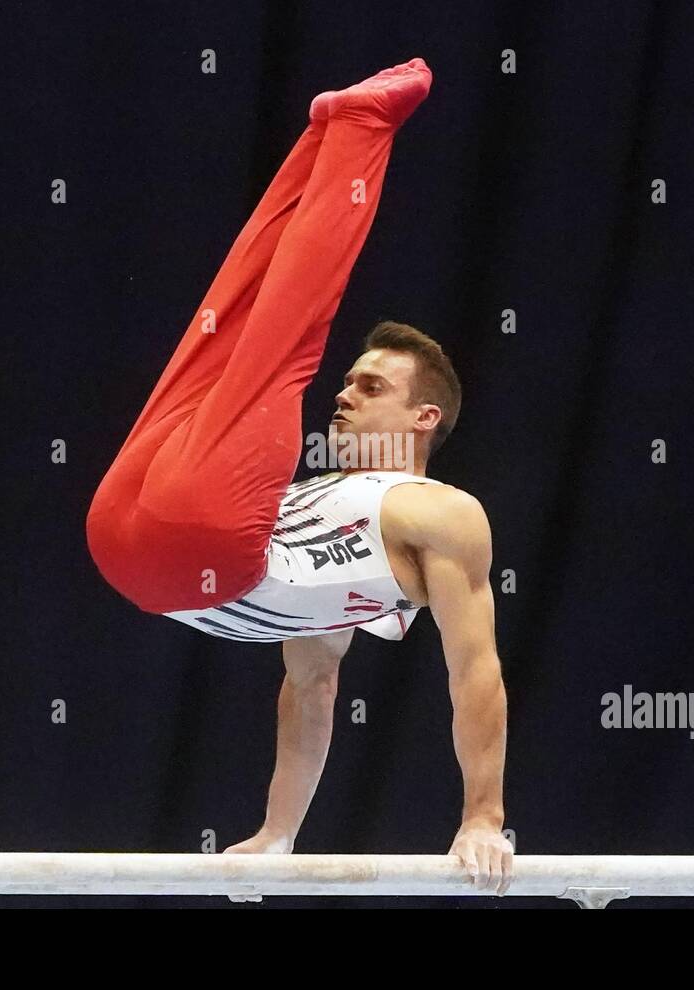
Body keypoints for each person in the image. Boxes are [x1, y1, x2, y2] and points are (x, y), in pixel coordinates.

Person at [86, 59, 512, 896]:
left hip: (173, 549)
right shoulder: (313, 493)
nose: (345, 395)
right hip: (149, 531)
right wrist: (279, 836)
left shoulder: (441, 515)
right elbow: (315, 683)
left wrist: (482, 815)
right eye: (350, 381)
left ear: (427, 419)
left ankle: (350, 132)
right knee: (238, 320)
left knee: (276, 336)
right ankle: (329, 138)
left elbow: (467, 673)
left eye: (372, 386)